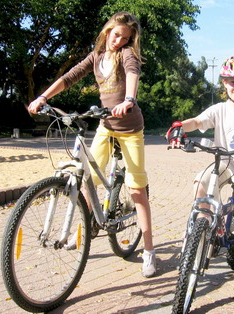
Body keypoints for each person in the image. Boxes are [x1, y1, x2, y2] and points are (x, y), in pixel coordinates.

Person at [28, 11, 156, 278]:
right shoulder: (96, 56)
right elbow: (71, 76)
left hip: (130, 128)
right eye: (116, 34)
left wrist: (129, 99)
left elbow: (133, 73)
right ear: (108, 30)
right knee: (86, 177)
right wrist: (43, 96)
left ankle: (149, 251)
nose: (119, 40)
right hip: (105, 126)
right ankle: (90, 228)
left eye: (125, 37)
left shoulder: (127, 56)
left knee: (136, 189)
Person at [166, 54, 234, 298]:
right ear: (224, 83)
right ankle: (201, 225)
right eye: (233, 82)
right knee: (201, 182)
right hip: (224, 162)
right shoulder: (219, 109)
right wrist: (178, 128)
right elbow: (198, 121)